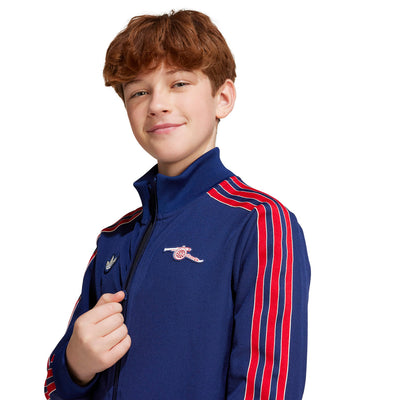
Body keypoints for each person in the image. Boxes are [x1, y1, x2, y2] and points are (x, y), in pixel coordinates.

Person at [44, 9, 311, 400]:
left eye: (179, 83)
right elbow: (55, 386)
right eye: (139, 92)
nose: (157, 104)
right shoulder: (114, 240)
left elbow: (267, 389)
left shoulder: (260, 224)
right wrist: (76, 365)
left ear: (223, 98)